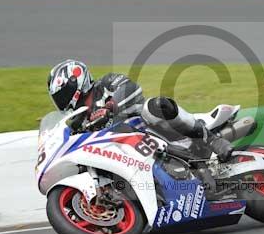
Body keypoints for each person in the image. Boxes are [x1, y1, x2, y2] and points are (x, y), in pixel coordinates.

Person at [47, 59, 233, 162]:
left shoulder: (105, 83)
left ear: (76, 83)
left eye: (62, 95)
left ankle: (212, 139)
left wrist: (108, 108)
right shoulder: (78, 121)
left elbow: (130, 87)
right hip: (131, 154)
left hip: (153, 130)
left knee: (153, 106)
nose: (62, 101)